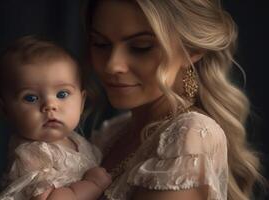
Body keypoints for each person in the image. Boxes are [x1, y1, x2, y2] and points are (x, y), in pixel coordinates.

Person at [84, 0, 266, 199]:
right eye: (100, 44)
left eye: (140, 47)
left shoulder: (189, 137)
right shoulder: (113, 133)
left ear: (192, 49)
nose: (112, 65)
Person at [0, 35, 111, 200]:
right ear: (5, 109)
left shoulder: (77, 140)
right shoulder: (32, 154)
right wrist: (93, 185)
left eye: (62, 94)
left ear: (82, 102)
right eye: (31, 98)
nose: (50, 105)